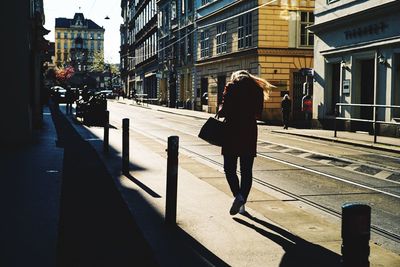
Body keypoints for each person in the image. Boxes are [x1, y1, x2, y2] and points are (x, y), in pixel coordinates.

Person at [218, 70, 274, 215]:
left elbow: (224, 111)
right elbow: (258, 112)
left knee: (229, 168)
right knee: (246, 170)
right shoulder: (257, 89)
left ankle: (238, 196)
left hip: (231, 131)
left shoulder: (231, 87)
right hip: (249, 131)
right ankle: (242, 200)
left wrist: (221, 108)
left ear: (235, 78)